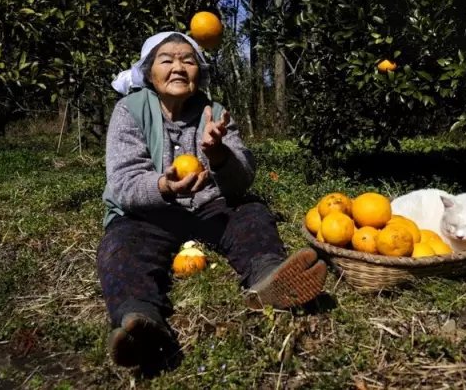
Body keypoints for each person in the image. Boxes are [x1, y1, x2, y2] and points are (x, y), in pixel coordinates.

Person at [98, 31, 327, 369]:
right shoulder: (129, 111)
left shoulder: (214, 112)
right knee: (120, 245)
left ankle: (268, 275)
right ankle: (140, 319)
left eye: (187, 60)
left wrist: (218, 153)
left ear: (199, 72)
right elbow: (124, 183)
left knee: (250, 213)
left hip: (210, 209)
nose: (178, 67)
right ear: (149, 73)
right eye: (167, 60)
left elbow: (240, 181)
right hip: (148, 215)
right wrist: (164, 186)